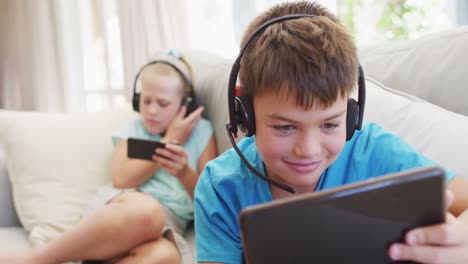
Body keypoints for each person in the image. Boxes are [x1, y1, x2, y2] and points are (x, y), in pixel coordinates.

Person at [193, 1, 468, 264]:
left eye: (329, 125)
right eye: (285, 127)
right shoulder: (221, 188)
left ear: (351, 116)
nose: (309, 150)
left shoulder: (374, 151)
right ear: (245, 117)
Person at [1, 50, 218, 264]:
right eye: (146, 101)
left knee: (166, 257)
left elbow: (210, 200)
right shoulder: (133, 128)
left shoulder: (202, 132)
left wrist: (184, 173)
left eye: (162, 103)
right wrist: (166, 143)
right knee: (147, 212)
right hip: (122, 212)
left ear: (185, 105)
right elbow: (121, 179)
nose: (152, 110)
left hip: (166, 226)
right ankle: (38, 258)